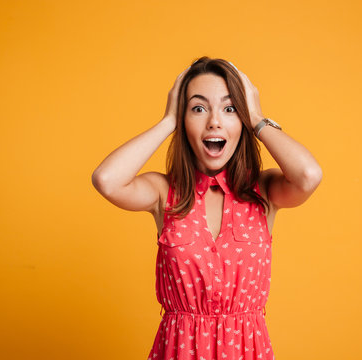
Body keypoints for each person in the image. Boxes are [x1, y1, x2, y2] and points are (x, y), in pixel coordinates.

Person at [91, 56, 322, 359]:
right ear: (183, 120)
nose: (214, 121)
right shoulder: (164, 193)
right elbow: (106, 180)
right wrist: (167, 122)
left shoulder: (264, 192)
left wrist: (257, 119)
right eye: (198, 109)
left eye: (230, 109)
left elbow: (309, 175)